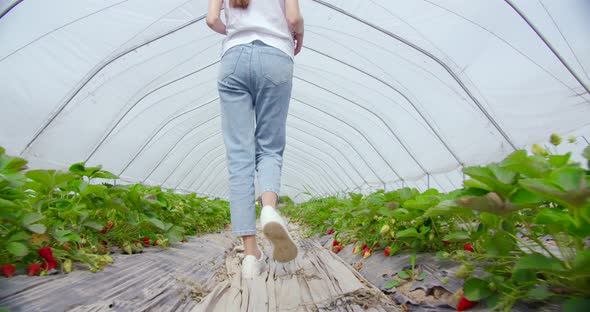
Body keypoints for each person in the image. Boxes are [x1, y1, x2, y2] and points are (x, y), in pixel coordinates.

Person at [206, 0, 304, 278]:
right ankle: (270, 210)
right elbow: (294, 18)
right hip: (276, 55)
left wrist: (237, 34)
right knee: (270, 146)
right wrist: (299, 35)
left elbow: (212, 19)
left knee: (239, 156)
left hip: (233, 59)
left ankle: (251, 255)